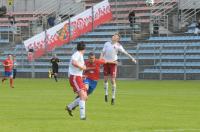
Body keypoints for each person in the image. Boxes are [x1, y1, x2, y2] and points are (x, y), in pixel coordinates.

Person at [100, 33, 137, 105]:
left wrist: (132, 58)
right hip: (106, 63)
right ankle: (106, 94)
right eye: (113, 35)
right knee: (105, 79)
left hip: (113, 63)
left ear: (117, 39)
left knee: (113, 80)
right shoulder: (106, 43)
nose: (113, 36)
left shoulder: (118, 46)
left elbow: (125, 52)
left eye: (115, 36)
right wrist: (100, 59)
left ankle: (113, 97)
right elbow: (102, 52)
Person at [65, 41, 87, 120]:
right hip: (75, 77)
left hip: (78, 77)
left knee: (85, 97)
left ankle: (70, 107)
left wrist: (82, 74)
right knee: (82, 96)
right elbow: (74, 62)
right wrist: (82, 67)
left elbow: (75, 66)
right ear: (84, 49)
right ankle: (82, 116)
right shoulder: (77, 54)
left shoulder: (79, 54)